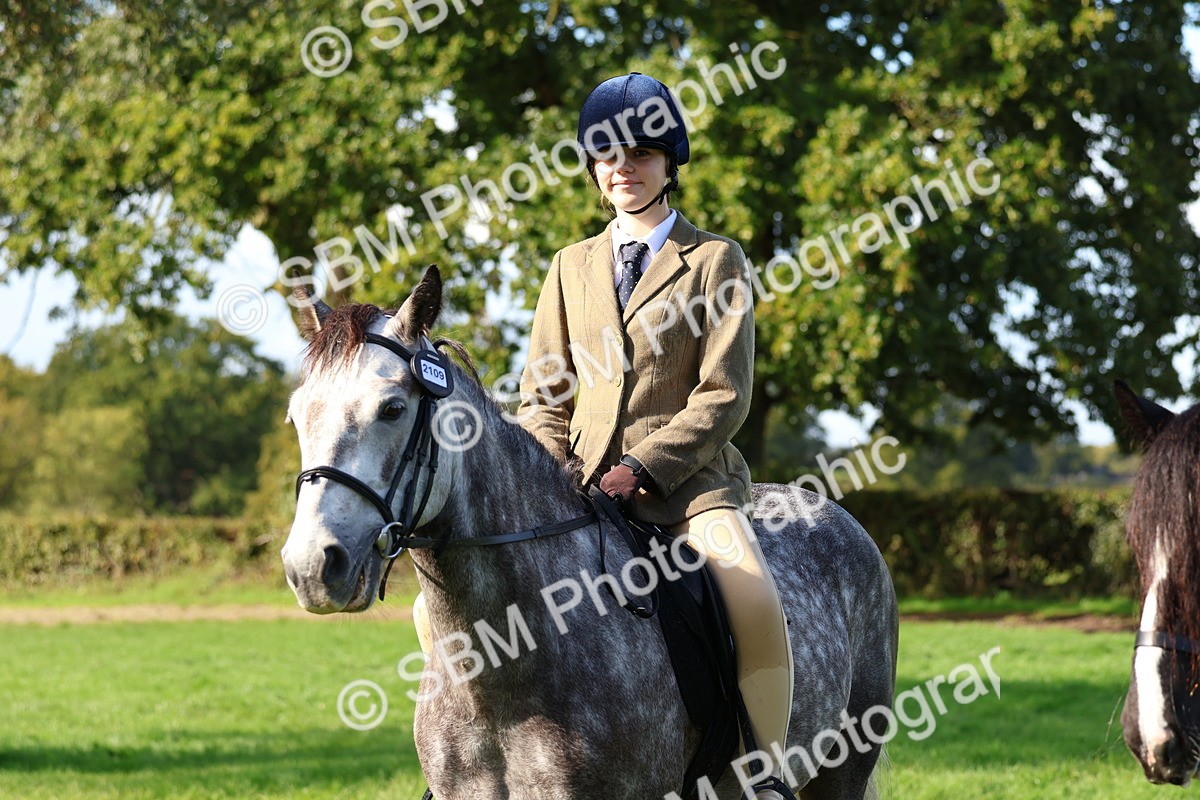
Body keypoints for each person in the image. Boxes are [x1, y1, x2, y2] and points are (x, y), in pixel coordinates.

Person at [518, 72, 795, 800]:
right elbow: (544, 394)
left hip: (688, 487)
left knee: (752, 596)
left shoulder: (714, 260)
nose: (622, 168)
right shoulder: (568, 266)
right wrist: (553, 471)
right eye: (607, 155)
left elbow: (724, 394)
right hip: (577, 490)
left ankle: (761, 765)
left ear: (669, 163)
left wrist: (642, 465)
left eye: (640, 154)